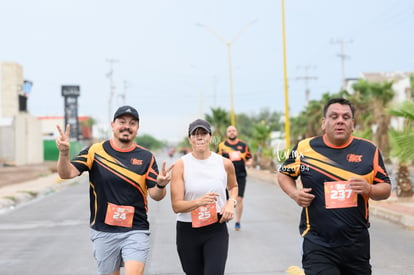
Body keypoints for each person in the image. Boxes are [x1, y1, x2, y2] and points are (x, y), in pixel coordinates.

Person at [277, 98, 391, 275]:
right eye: (334, 116)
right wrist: (294, 193)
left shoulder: (369, 150)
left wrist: (369, 189)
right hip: (318, 243)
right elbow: (284, 173)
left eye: (346, 117)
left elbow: (385, 188)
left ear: (352, 124)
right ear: (324, 123)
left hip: (356, 244)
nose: (340, 120)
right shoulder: (304, 148)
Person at [55, 105, 173, 275]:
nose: (127, 126)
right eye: (122, 122)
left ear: (137, 129)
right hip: (104, 231)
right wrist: (64, 153)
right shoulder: (95, 151)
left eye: (132, 123)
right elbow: (66, 174)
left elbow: (156, 195)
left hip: (136, 229)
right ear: (113, 125)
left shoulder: (146, 157)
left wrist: (161, 184)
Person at [170, 119, 238, 275]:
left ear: (210, 137)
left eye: (203, 133)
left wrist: (230, 203)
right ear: (190, 139)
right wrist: (198, 202)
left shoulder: (224, 163)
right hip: (188, 230)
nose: (199, 137)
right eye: (195, 134)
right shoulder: (181, 165)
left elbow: (233, 187)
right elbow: (176, 206)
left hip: (216, 228)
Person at [217, 125, 252, 231]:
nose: (232, 132)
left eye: (233, 130)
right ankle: (224, 219)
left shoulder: (243, 145)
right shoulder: (221, 146)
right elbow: (215, 159)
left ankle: (238, 221)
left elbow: (249, 160)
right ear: (226, 134)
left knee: (239, 199)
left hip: (240, 175)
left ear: (236, 133)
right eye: (229, 131)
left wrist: (247, 162)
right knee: (227, 199)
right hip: (226, 176)